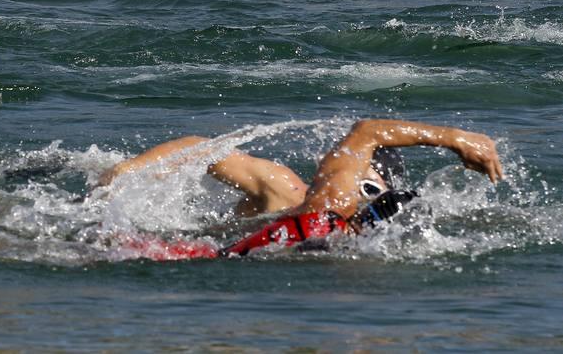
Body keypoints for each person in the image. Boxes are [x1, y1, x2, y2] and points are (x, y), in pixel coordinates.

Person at [94, 117, 502, 259]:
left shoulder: (350, 218)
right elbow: (204, 150)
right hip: (184, 255)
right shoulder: (291, 190)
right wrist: (128, 171)